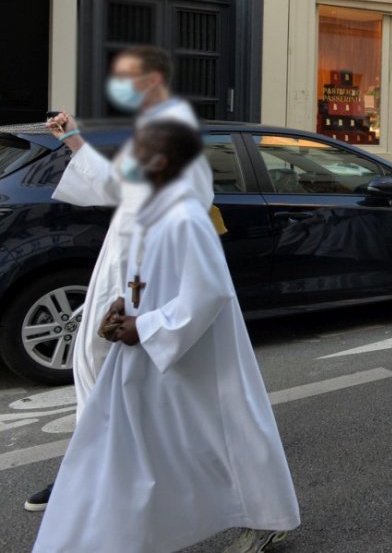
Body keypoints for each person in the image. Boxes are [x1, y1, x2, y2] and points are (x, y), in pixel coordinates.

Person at [33, 121, 299, 553]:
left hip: (197, 349)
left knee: (230, 429)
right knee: (161, 438)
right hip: (160, 350)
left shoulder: (187, 216)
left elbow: (207, 291)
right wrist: (121, 309)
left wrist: (145, 326)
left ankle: (268, 516)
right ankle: (124, 526)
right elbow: (142, 274)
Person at [28, 45, 214, 513]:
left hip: (142, 279)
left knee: (126, 382)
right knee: (94, 371)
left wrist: (150, 304)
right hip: (118, 270)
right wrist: (72, 136)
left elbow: (181, 212)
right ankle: (91, 471)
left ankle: (108, 479)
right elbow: (115, 185)